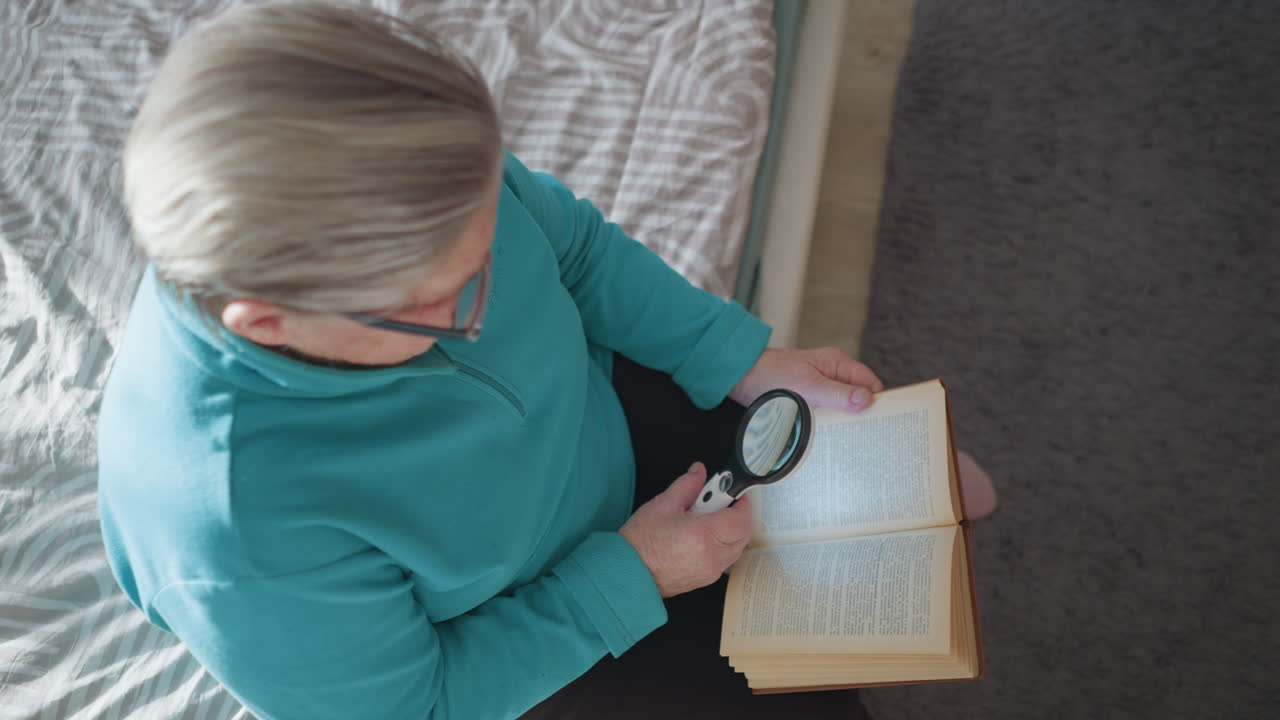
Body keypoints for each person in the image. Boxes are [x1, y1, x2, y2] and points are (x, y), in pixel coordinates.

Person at [96, 2, 997, 719]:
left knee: (929, 495)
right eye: (451, 299)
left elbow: (573, 252)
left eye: (490, 230)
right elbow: (422, 705)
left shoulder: (425, 188)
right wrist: (633, 577)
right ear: (266, 324)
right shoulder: (234, 535)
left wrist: (742, 357)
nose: (499, 291)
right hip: (528, 646)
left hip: (598, 423)